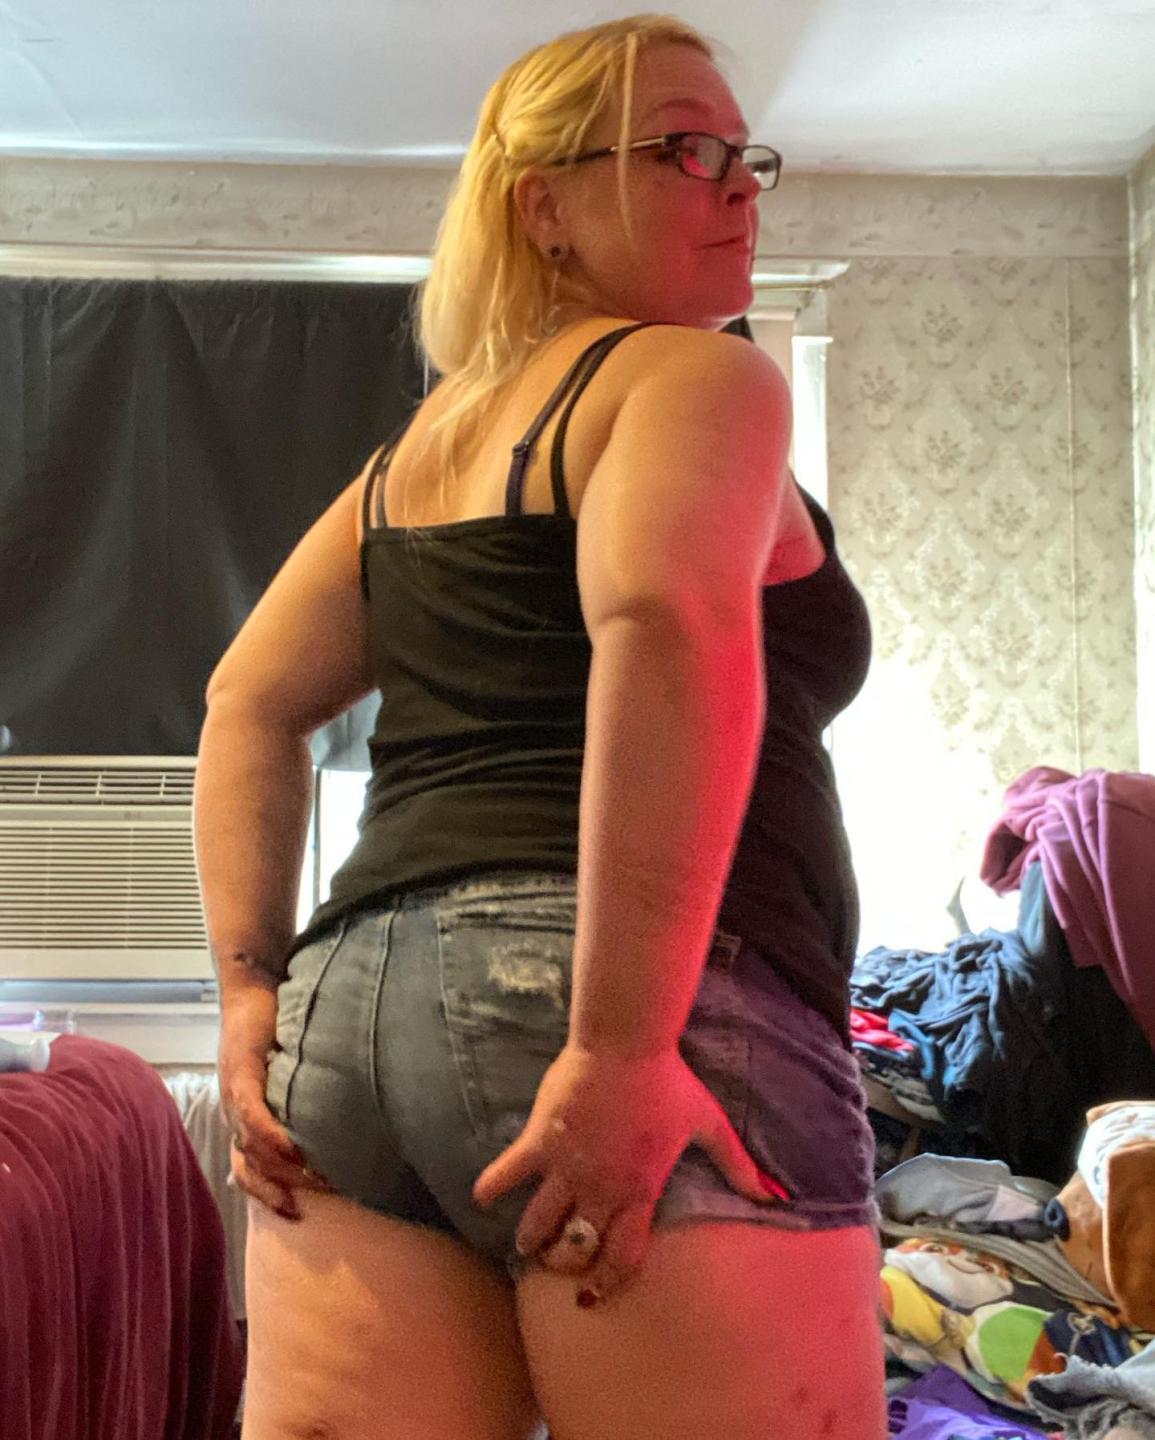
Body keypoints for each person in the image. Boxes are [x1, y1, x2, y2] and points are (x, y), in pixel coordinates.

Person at [193, 14, 887, 1440]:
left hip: (351, 1021)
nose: (740, 185)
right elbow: (666, 623)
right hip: (615, 999)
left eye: (744, 154)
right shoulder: (699, 377)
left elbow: (243, 701)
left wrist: (251, 989)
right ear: (544, 206)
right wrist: (623, 1044)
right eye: (685, 150)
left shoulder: (422, 452)